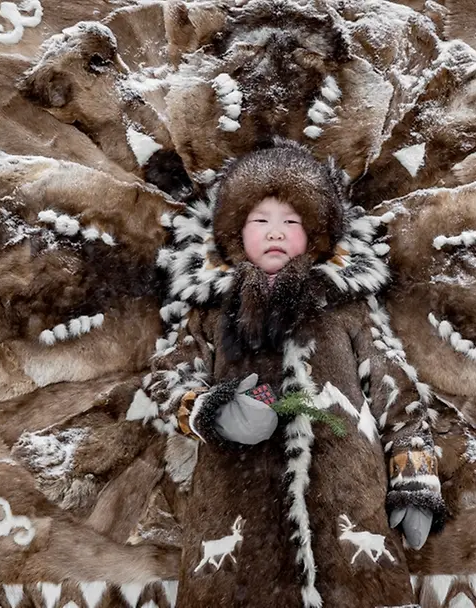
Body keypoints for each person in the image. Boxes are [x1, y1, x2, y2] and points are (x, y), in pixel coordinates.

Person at [137, 141, 445, 608]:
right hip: (233, 507)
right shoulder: (211, 312)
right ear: (236, 233)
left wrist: (414, 480)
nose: (275, 232)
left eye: (291, 222)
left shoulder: (347, 308)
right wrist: (208, 411)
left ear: (316, 235)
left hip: (346, 504)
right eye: (260, 221)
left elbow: (396, 391)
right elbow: (167, 376)